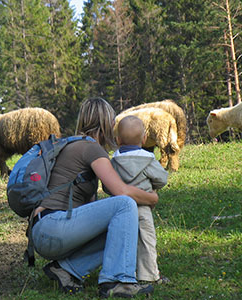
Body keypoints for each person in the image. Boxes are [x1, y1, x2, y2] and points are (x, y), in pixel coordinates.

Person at [30, 97, 158, 298]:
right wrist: (151, 198)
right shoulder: (91, 148)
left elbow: (93, 209)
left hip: (46, 231)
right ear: (106, 123)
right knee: (125, 205)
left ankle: (66, 269)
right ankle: (118, 281)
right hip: (54, 225)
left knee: (122, 226)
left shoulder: (71, 146)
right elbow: (121, 192)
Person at [103, 115, 169, 285]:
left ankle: (125, 271)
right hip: (143, 208)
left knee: (123, 240)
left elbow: (106, 186)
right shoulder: (147, 160)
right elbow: (162, 179)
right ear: (145, 138)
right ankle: (149, 275)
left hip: (120, 211)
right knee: (146, 241)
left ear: (117, 140)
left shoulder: (114, 161)